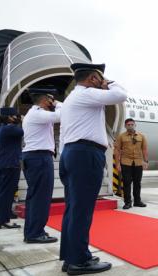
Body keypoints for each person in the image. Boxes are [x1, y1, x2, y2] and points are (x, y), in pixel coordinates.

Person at [59, 63, 127, 274]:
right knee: (82, 210)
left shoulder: (72, 98)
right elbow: (121, 95)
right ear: (92, 79)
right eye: (100, 77)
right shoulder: (87, 93)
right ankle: (79, 261)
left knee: (73, 208)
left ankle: (71, 255)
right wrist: (110, 83)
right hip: (85, 154)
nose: (103, 81)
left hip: (71, 152)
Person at [22, 88, 62, 244]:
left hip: (35, 157)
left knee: (35, 197)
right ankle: (35, 233)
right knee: (40, 197)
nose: (53, 102)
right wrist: (58, 103)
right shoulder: (38, 114)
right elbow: (64, 114)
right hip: (39, 158)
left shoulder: (35, 113)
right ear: (46, 99)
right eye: (51, 99)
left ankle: (33, 231)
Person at [0, 107, 23, 229]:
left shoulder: (2, 128)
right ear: (9, 117)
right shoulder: (9, 129)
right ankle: (3, 220)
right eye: (15, 116)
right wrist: (23, 120)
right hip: (10, 164)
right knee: (6, 193)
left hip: (5, 163)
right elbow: (23, 131)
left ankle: (2, 218)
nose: (17, 117)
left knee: (2, 192)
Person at [114, 118, 148, 210]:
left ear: (135, 125)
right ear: (125, 126)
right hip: (126, 162)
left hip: (138, 163)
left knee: (137, 183)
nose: (130, 126)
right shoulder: (121, 137)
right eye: (128, 125)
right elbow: (117, 150)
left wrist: (145, 161)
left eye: (132, 124)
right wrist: (117, 164)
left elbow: (144, 149)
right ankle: (128, 202)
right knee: (127, 183)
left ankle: (137, 201)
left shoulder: (141, 136)